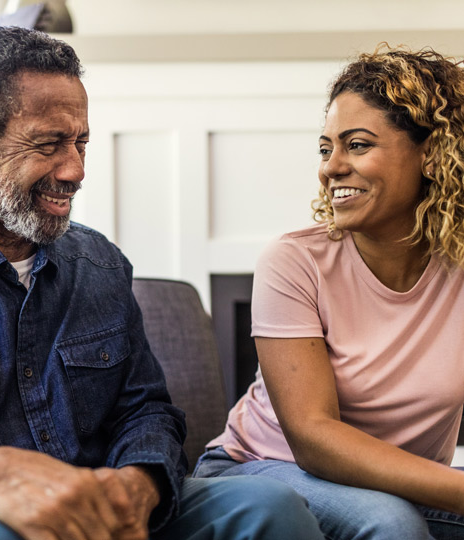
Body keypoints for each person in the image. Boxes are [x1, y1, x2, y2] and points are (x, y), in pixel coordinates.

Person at [0, 26, 324, 540]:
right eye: (49, 144)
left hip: (111, 514)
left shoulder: (102, 266)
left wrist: (141, 481)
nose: (75, 170)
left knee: (271, 507)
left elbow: (146, 408)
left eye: (81, 142)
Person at [193, 44, 464, 539]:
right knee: (391, 523)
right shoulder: (295, 261)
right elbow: (313, 439)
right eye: (326, 148)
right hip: (262, 470)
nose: (330, 167)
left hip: (402, 486)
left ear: (431, 155)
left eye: (357, 145)